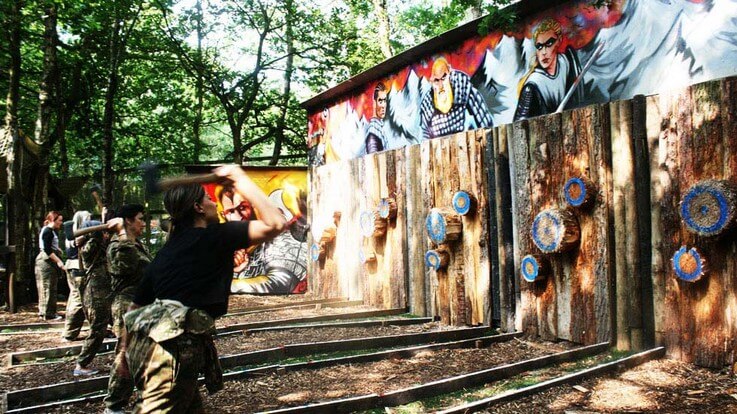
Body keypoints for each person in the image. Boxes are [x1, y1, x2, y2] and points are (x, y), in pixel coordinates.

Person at [122, 165, 286, 412]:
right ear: (198, 208)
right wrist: (240, 177)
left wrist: (123, 357)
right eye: (209, 199)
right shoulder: (215, 236)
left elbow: (135, 309)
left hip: (156, 350)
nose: (215, 204)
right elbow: (276, 223)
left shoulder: (165, 254)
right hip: (173, 355)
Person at [103, 204, 151, 414]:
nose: (143, 223)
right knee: (126, 356)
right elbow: (126, 266)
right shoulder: (118, 245)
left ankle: (145, 398)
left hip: (143, 305)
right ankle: (114, 405)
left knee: (141, 354)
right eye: (140, 219)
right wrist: (122, 233)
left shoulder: (135, 244)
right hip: (126, 306)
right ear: (128, 221)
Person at [514, 18, 582, 121]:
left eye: (549, 44)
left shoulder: (565, 62)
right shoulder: (532, 86)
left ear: (559, 41)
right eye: (539, 47)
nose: (544, 52)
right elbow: (518, 124)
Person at [73, 219, 112, 376]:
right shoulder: (88, 247)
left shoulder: (98, 246)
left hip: (104, 292)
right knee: (97, 329)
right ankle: (81, 364)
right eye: (101, 233)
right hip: (95, 294)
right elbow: (92, 247)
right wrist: (95, 234)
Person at [419, 57, 493, 140]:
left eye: (443, 78)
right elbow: (424, 135)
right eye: (436, 80)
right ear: (432, 80)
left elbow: (483, 118)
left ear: (449, 73)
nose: (441, 85)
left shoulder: (462, 85)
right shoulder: (427, 103)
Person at [62, 210, 91, 340]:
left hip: (71, 266)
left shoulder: (75, 234)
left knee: (74, 297)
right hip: (77, 267)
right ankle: (70, 333)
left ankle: (70, 330)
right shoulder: (77, 235)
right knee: (78, 300)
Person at [35, 211, 65, 321]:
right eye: (59, 220)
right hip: (46, 261)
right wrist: (58, 261)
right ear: (53, 220)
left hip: (50, 260)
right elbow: (47, 249)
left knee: (51, 287)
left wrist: (58, 250)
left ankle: (49, 311)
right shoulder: (47, 231)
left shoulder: (51, 231)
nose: (61, 223)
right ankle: (47, 313)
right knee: (46, 287)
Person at [365, 82, 388, 154]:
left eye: (385, 101)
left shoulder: (379, 127)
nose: (383, 105)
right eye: (380, 101)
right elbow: (372, 160)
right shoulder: (373, 131)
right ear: (374, 103)